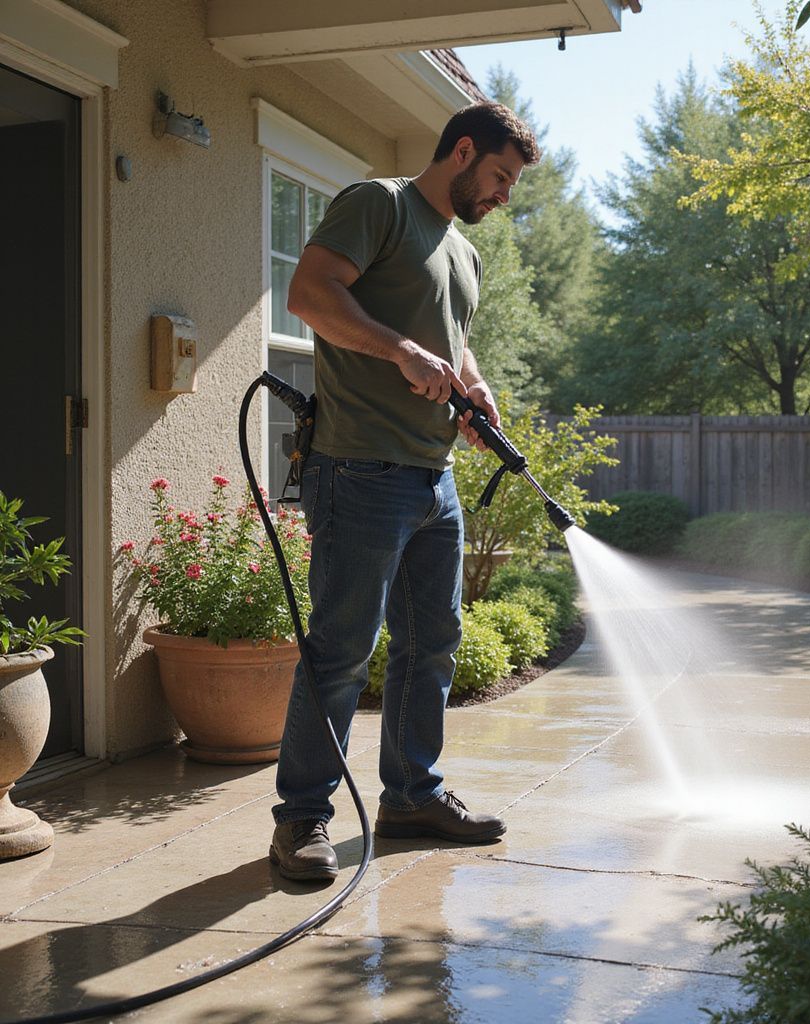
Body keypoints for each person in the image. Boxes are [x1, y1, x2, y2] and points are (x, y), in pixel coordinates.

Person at [269, 102, 541, 882]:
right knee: (342, 653)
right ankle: (301, 821)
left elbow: (453, 341)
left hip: (433, 477)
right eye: (499, 176)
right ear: (461, 151)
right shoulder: (378, 204)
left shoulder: (464, 252)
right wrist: (400, 351)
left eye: (511, 184)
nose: (503, 195)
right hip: (358, 469)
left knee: (433, 646)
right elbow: (312, 296)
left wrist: (475, 390)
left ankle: (412, 798)